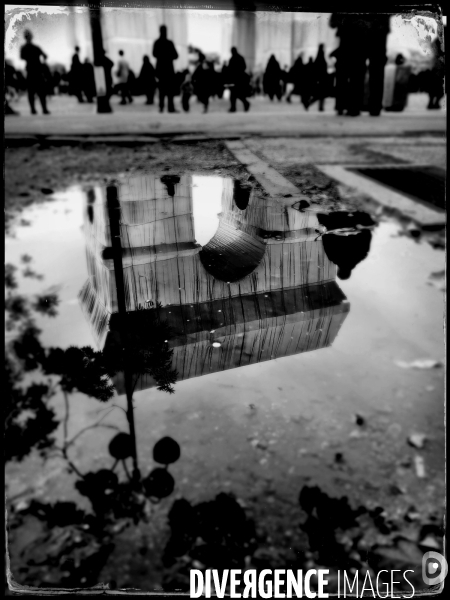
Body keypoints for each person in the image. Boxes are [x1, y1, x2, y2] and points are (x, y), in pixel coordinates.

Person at [20, 29, 50, 114]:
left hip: (30, 71)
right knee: (41, 91)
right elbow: (45, 56)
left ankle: (33, 109)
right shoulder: (36, 47)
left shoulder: (24, 48)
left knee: (31, 92)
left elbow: (22, 57)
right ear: (31, 37)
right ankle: (44, 109)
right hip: (38, 70)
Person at [153, 25, 179, 113]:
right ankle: (170, 108)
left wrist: (162, 55)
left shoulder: (157, 42)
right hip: (169, 70)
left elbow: (154, 54)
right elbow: (176, 55)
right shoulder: (169, 43)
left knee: (161, 89)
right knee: (169, 90)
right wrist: (168, 55)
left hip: (160, 69)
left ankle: (161, 107)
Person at [227, 47, 250, 112]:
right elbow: (244, 67)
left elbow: (230, 69)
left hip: (236, 79)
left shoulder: (232, 59)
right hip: (239, 79)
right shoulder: (240, 58)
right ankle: (243, 104)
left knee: (234, 94)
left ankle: (235, 107)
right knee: (236, 94)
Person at [427, 36, 445, 110]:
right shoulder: (434, 47)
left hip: (435, 76)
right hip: (436, 76)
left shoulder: (433, 47)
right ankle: (433, 104)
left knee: (435, 92)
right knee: (437, 91)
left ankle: (433, 104)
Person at [313, 44, 328, 111]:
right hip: (322, 78)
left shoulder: (318, 57)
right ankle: (321, 107)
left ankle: (320, 106)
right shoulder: (321, 57)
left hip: (319, 78)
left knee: (320, 93)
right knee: (321, 94)